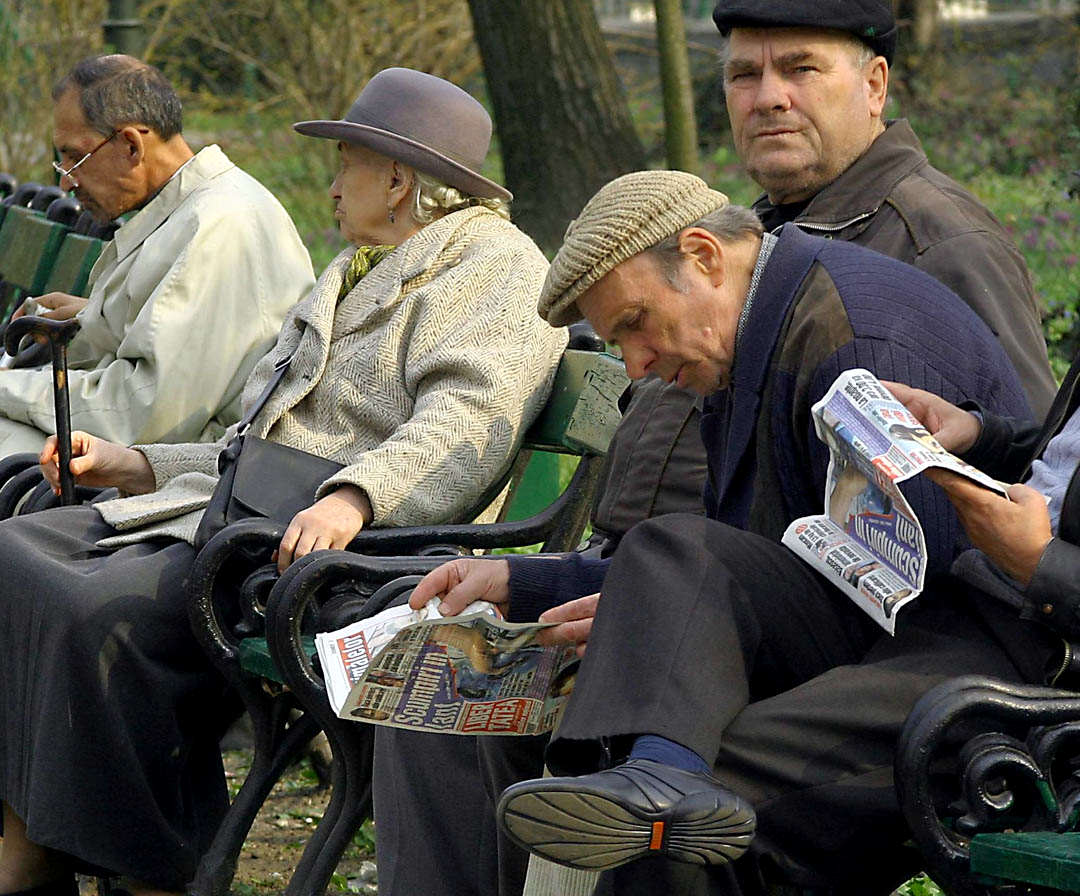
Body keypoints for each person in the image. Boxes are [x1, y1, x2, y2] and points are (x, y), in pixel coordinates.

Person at [0, 67, 566, 896]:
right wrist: (143, 464)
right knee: (14, 553)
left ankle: (153, 868)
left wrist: (356, 497)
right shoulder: (361, 265)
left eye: (346, 165)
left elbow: (466, 424)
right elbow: (260, 443)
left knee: (94, 612)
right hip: (245, 511)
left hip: (339, 544)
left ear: (401, 179)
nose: (332, 187)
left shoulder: (496, 269)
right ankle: (26, 840)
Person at [392, 169, 1031, 895]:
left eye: (634, 323)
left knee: (673, 836)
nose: (636, 364)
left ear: (703, 256)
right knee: (448, 700)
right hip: (860, 638)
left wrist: (666, 633)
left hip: (949, 671)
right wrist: (523, 583)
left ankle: (651, 775)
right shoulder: (757, 326)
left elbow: (911, 590)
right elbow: (740, 559)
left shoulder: (853, 334)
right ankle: (652, 774)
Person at [592, 0, 1056, 552]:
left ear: (874, 86)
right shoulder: (756, 236)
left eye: (800, 68)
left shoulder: (938, 239)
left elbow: (1037, 472)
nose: (768, 98)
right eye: (744, 75)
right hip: (657, 576)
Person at [0, 55, 315, 456]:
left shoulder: (218, 226)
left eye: (73, 156)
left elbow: (141, 415)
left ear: (131, 145)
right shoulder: (192, 209)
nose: (66, 180)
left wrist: (6, 388)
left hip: (181, 473)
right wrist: (93, 318)